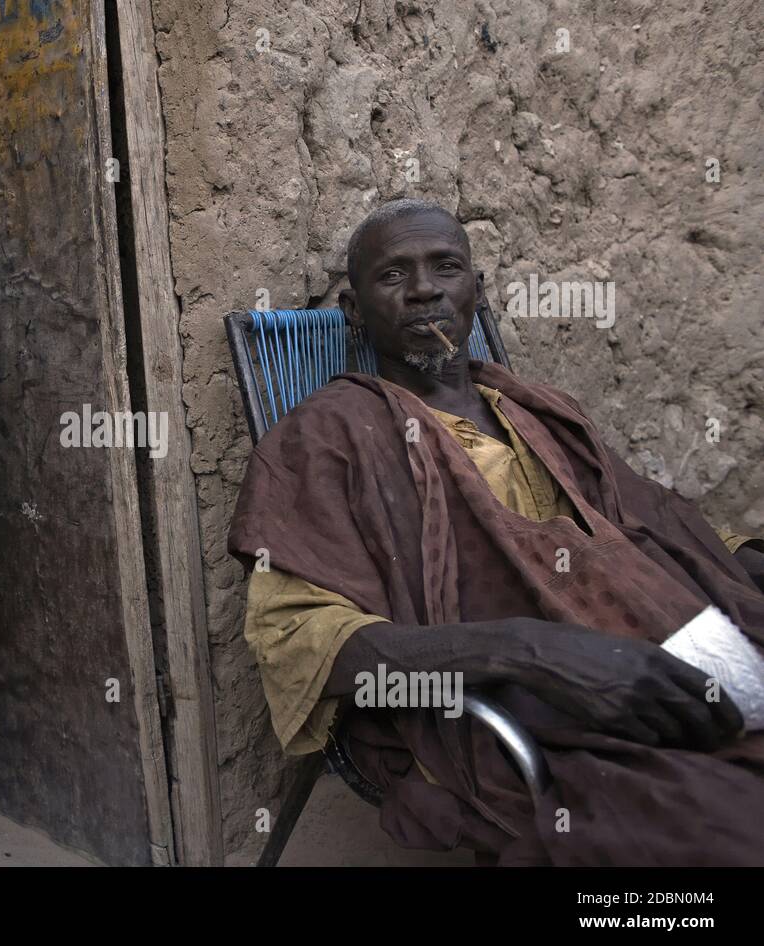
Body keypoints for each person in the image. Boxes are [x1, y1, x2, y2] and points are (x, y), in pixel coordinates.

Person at [229, 198, 764, 865]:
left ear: (476, 293)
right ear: (354, 310)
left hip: (673, 656)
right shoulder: (330, 434)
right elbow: (302, 642)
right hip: (520, 715)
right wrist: (529, 650)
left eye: (445, 267)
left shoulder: (542, 410)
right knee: (730, 832)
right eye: (393, 276)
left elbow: (656, 522)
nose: (424, 288)